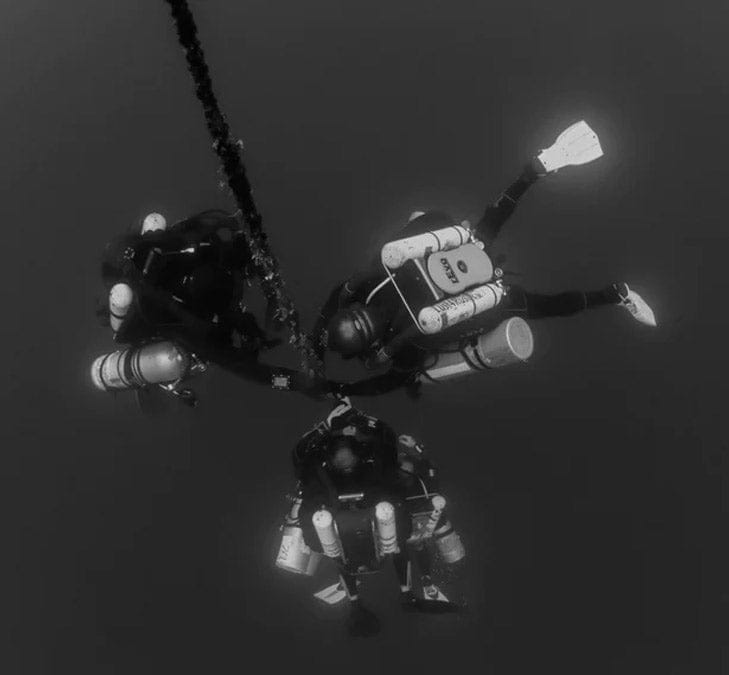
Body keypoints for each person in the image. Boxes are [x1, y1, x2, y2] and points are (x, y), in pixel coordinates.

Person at [312, 121, 657, 396]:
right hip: (459, 252)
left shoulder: (406, 344)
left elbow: (390, 382)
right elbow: (337, 294)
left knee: (546, 306)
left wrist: (339, 389)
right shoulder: (365, 289)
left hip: (490, 294)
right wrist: (317, 336)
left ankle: (616, 294)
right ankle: (531, 173)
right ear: (353, 310)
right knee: (489, 223)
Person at [92, 210, 325, 403]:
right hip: (164, 316)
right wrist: (301, 383)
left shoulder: (198, 248)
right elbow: (257, 374)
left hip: (175, 281)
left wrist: (301, 383)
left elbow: (259, 375)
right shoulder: (190, 328)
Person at [279, 400, 463, 636]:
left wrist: (326, 426)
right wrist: (361, 419)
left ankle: (360, 601)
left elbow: (298, 456)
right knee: (394, 540)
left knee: (340, 549)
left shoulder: (321, 470)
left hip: (347, 541)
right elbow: (387, 437)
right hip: (379, 536)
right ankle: (405, 593)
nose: (344, 455)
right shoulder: (374, 462)